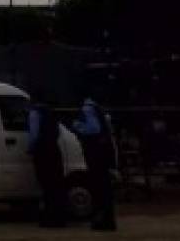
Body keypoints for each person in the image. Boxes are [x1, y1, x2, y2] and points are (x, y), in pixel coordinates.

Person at [72, 96, 117, 232]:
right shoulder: (99, 110)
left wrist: (77, 126)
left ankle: (102, 220)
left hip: (95, 153)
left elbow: (94, 129)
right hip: (103, 154)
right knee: (105, 188)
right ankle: (107, 220)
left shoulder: (87, 109)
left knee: (98, 187)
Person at [28, 100, 67, 228]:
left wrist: (31, 148)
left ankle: (49, 217)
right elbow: (58, 132)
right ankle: (59, 217)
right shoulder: (50, 112)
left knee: (46, 185)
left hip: (42, 151)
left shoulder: (34, 113)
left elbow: (34, 135)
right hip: (54, 151)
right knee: (56, 184)